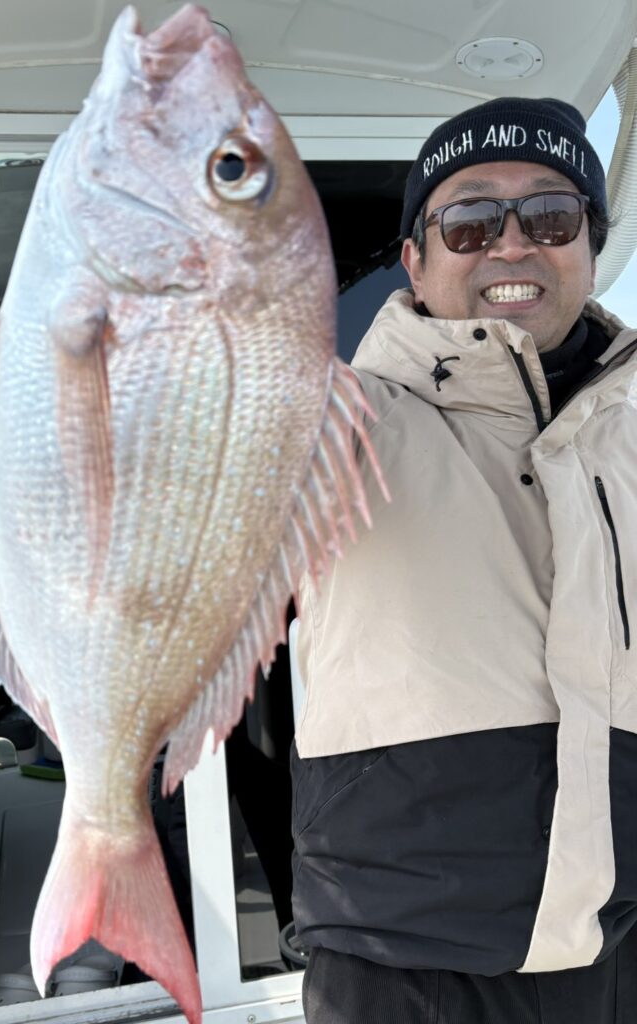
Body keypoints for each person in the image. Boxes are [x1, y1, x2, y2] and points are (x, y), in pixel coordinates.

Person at [290, 97, 637, 1024]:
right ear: (415, 258)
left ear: (590, 245)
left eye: (551, 216)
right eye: (471, 220)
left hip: (618, 941)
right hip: (402, 959)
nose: (512, 244)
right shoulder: (338, 415)